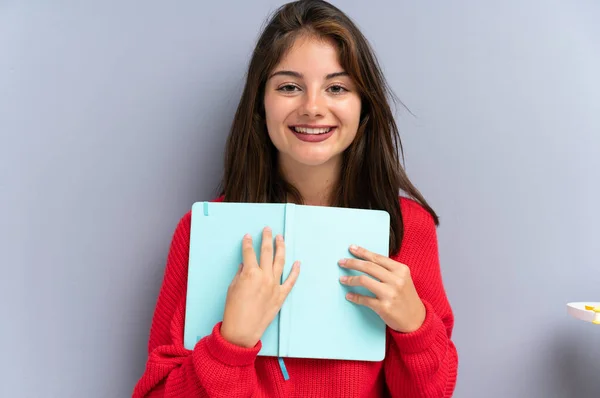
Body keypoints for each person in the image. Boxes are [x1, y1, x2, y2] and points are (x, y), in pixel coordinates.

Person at [132, 0, 458, 396]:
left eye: (336, 87)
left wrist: (415, 326)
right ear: (260, 104)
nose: (313, 108)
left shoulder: (408, 229)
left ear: (364, 107)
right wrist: (231, 341)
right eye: (289, 87)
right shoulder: (203, 231)